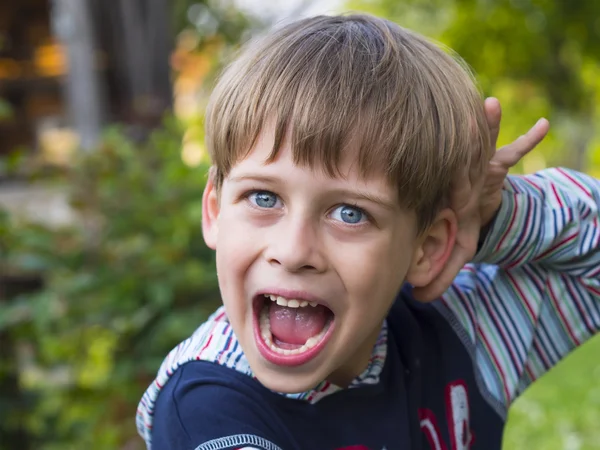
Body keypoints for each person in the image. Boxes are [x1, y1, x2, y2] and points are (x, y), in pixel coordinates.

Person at [136, 13, 600, 450]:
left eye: (350, 213)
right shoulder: (209, 409)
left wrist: (495, 217)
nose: (294, 251)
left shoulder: (462, 331)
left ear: (428, 246)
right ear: (215, 212)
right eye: (264, 198)